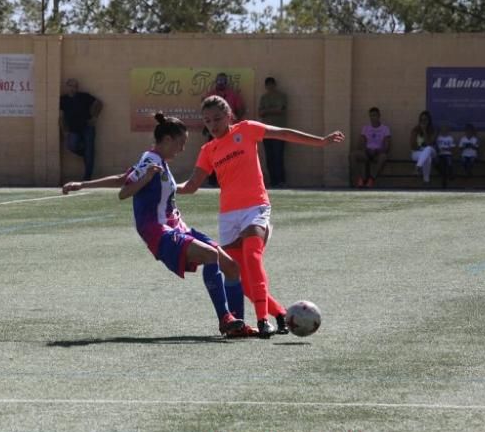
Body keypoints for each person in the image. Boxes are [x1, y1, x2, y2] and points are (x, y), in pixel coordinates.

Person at [61, 114, 251, 338]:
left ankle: (236, 326)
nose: (181, 149)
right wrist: (85, 184)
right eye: (181, 143)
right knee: (210, 255)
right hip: (157, 230)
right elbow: (125, 191)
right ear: (168, 140)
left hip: (178, 227)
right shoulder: (150, 160)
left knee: (231, 266)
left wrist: (82, 184)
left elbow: (123, 177)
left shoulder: (158, 162)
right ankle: (224, 318)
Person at [178, 95, 345, 337]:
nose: (212, 125)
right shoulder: (208, 150)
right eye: (207, 121)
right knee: (238, 275)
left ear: (229, 116)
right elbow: (192, 185)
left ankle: (262, 320)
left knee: (252, 256)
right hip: (228, 217)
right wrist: (166, 185)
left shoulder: (246, 130)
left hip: (255, 206)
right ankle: (279, 314)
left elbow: (284, 133)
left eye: (217, 119)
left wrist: (320, 142)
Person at [59, 78, 102, 181]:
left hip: (87, 127)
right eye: (70, 86)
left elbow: (98, 103)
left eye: (75, 86)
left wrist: (94, 117)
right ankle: (86, 154)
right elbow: (61, 116)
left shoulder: (84, 96)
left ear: (77, 87)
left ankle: (87, 177)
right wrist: (64, 130)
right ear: (67, 86)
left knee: (89, 150)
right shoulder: (63, 99)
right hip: (73, 129)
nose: (73, 88)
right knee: (71, 146)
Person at [258, 77, 288, 187]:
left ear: (274, 85)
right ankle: (273, 181)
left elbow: (280, 110)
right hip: (266, 131)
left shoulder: (281, 96)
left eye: (271, 85)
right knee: (269, 157)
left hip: (279, 130)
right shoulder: (264, 98)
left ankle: (281, 181)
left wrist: (267, 111)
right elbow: (260, 112)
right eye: (268, 85)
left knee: (278, 156)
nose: (269, 87)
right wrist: (270, 110)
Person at [351, 107, 391, 187]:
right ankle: (360, 178)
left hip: (378, 153)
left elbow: (387, 147)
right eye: (371, 116)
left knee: (383, 157)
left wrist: (377, 151)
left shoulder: (385, 129)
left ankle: (371, 179)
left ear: (379, 116)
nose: (373, 118)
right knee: (353, 155)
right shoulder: (366, 128)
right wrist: (366, 150)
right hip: (367, 152)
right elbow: (360, 144)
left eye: (375, 115)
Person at [409, 110, 437, 186]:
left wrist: (424, 131)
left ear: (429, 120)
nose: (423, 121)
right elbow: (412, 146)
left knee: (428, 148)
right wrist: (421, 148)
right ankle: (426, 181)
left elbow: (429, 143)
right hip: (416, 152)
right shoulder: (415, 130)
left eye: (425, 120)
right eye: (421, 120)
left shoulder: (433, 130)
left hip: (431, 151)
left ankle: (417, 167)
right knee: (427, 158)